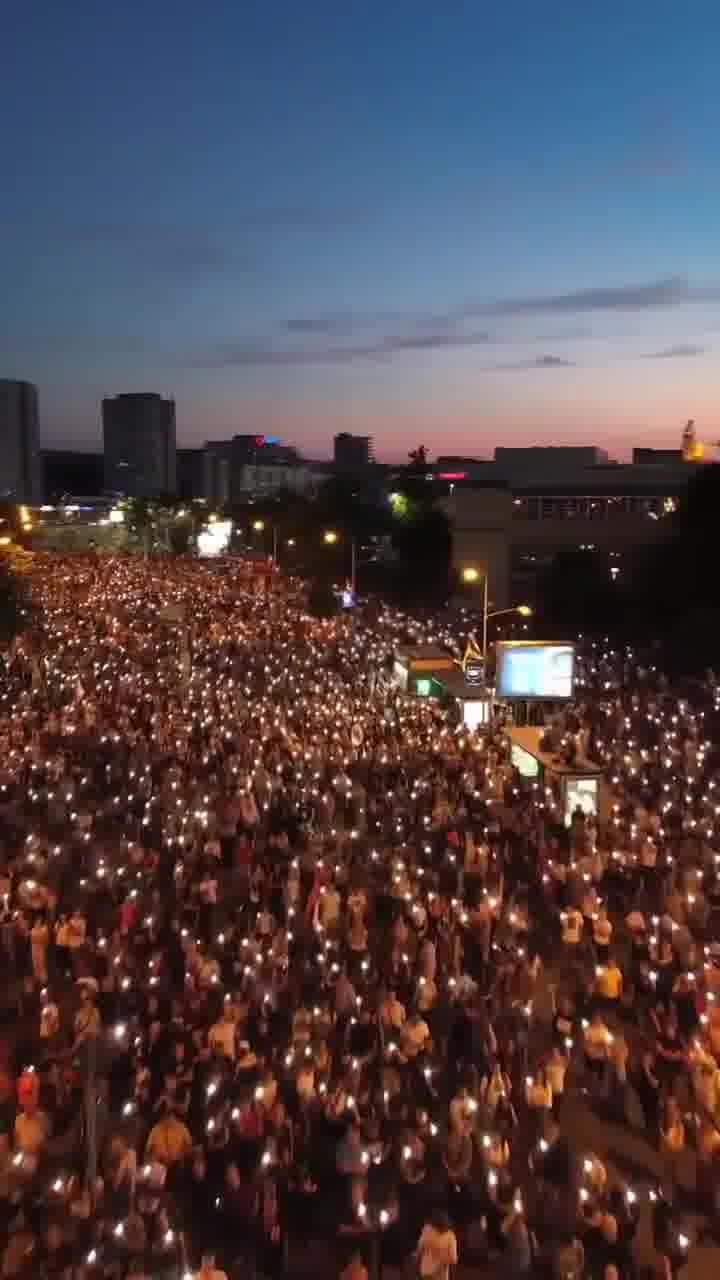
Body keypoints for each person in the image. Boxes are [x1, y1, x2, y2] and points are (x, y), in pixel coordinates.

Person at [416, 1209, 458, 1280]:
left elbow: (420, 1248)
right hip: (440, 1275)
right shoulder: (450, 1235)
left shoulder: (427, 1229)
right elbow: (453, 1259)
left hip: (427, 1272)